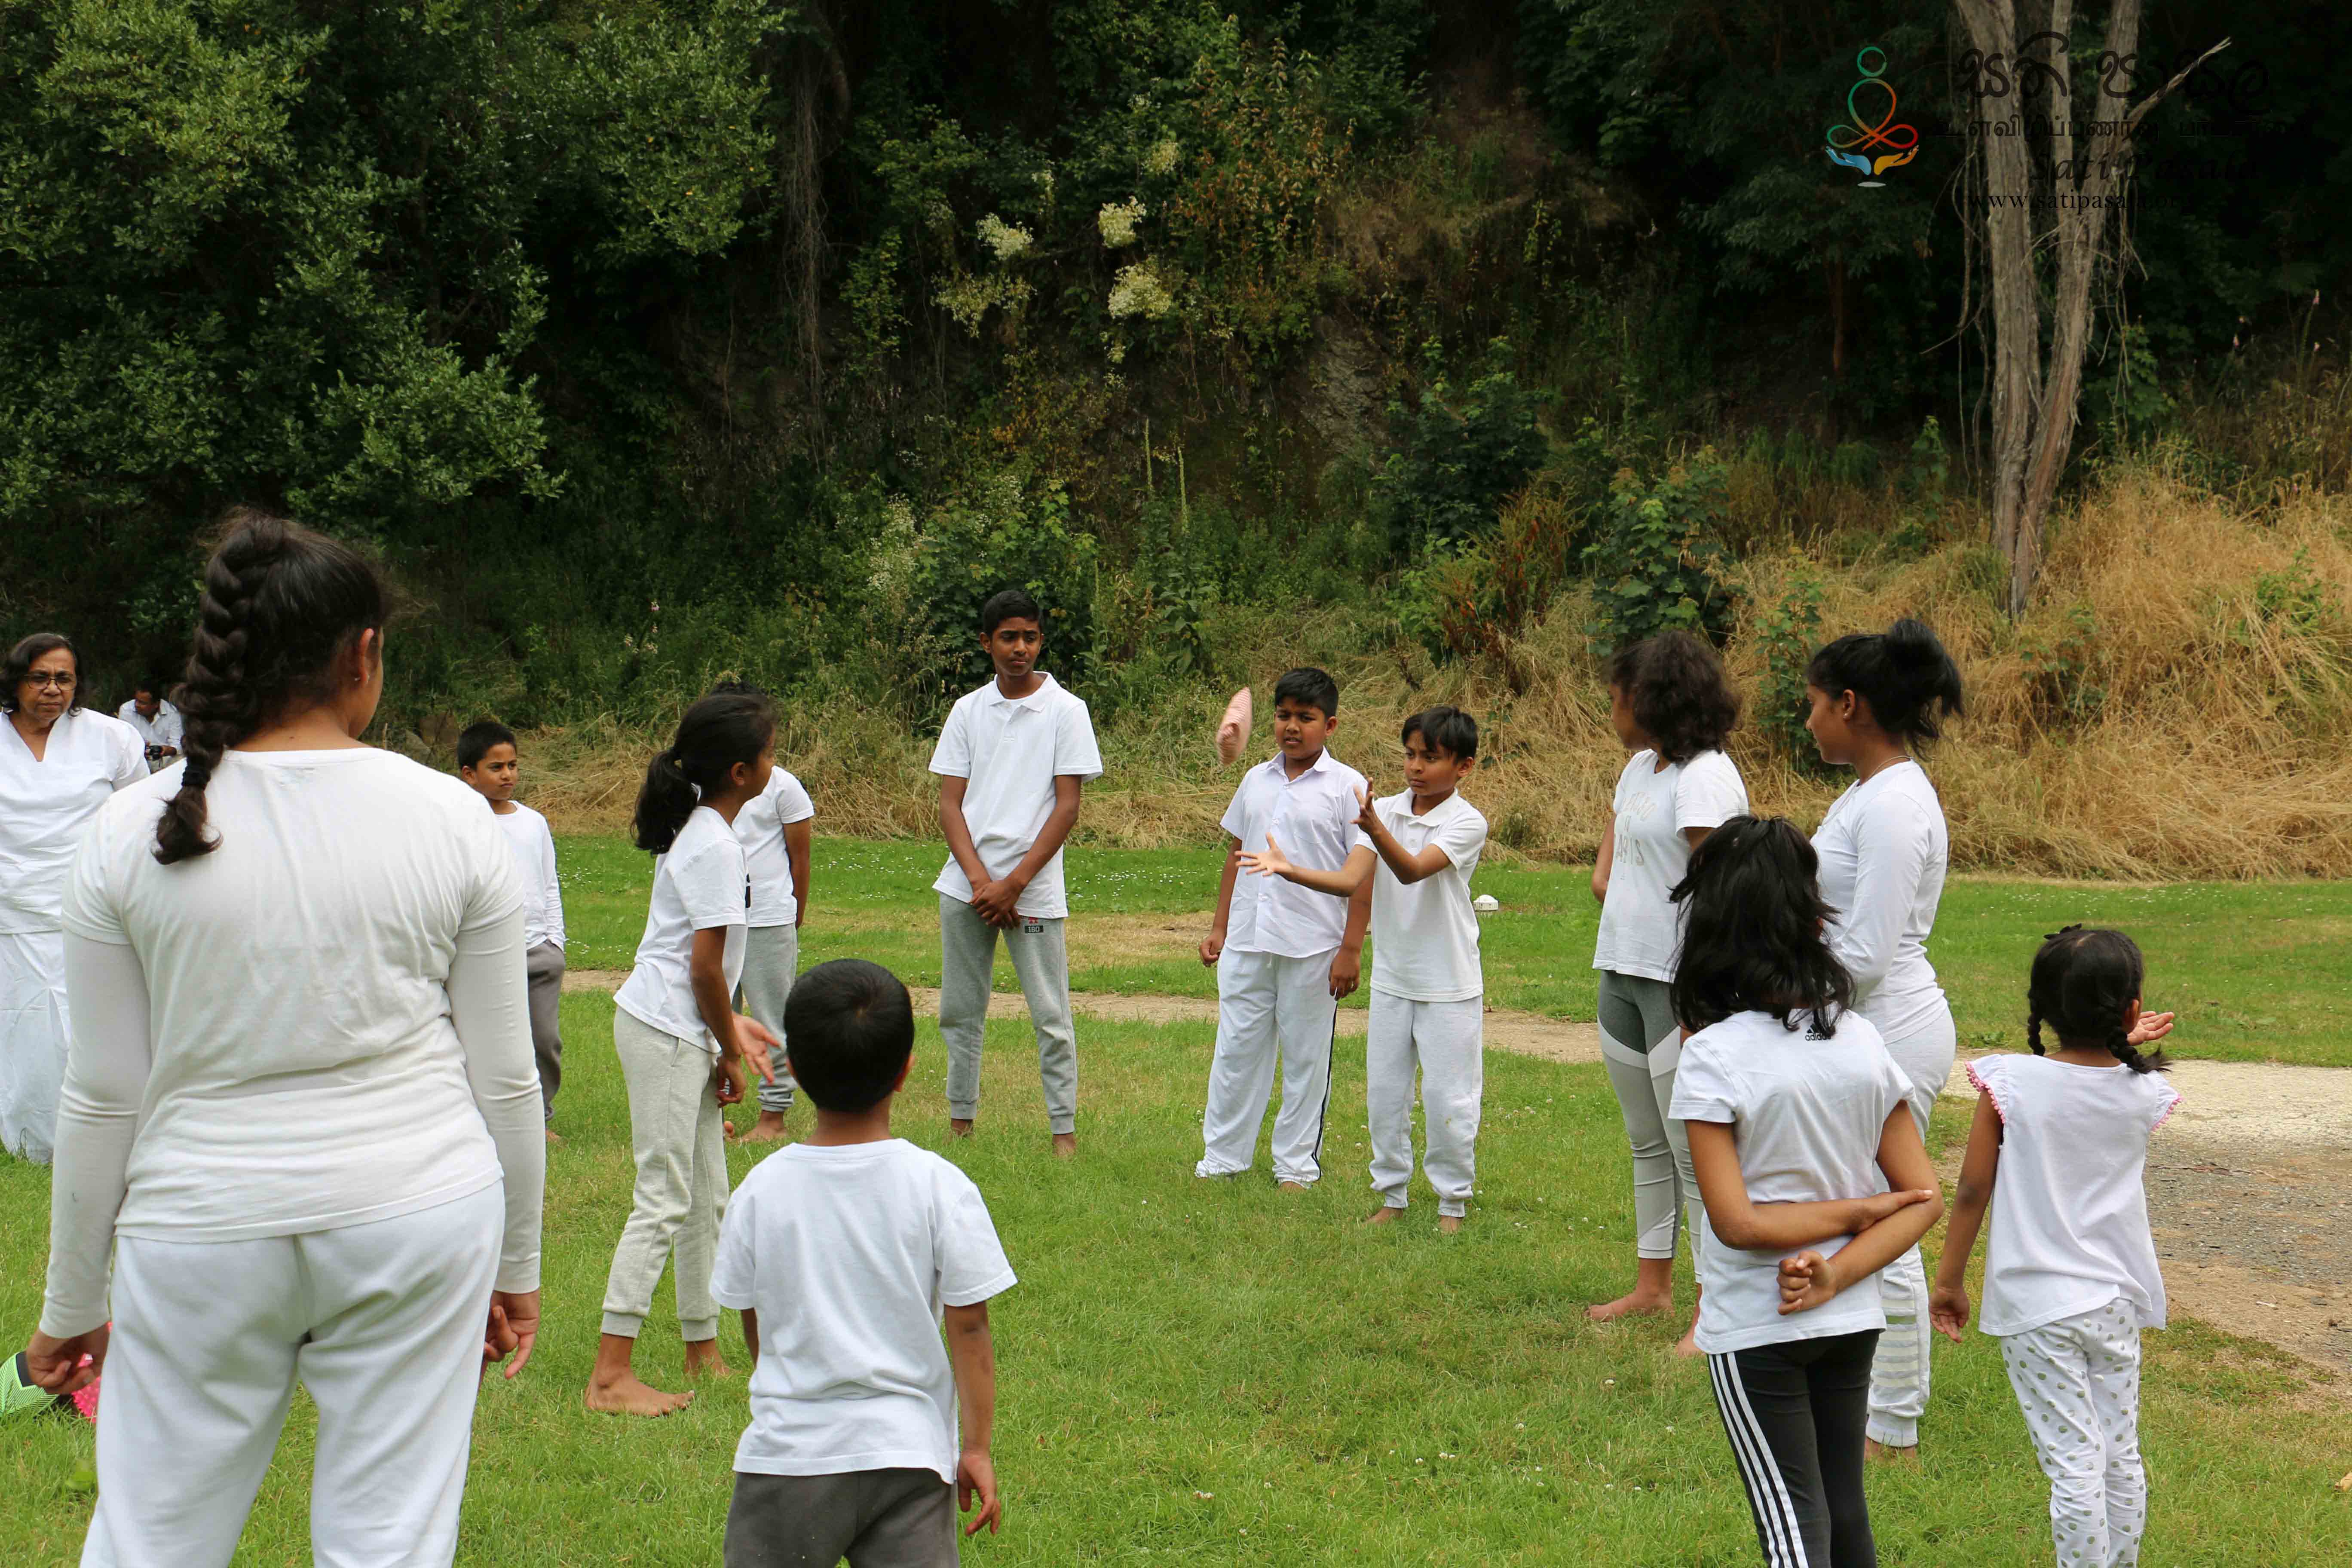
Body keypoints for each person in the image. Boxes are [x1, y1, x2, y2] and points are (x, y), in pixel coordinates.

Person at [18, 511, 544, 1564]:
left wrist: (72, 1301)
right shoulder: (456, 820)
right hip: (417, 1212)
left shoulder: (125, 831)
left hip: (200, 1226)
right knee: (390, 1542)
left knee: (151, 1540)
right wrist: (515, 1262)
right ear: (363, 655)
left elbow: (104, 1091)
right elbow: (505, 1075)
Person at [1667, 815, 1944, 1568]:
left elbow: (1737, 1223)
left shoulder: (1711, 1056)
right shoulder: (1860, 1038)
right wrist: (1839, 1268)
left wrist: (1849, 1227)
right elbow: (1922, 1198)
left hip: (1759, 1325)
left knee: (1793, 1525)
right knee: (1843, 1512)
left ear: (1713, 926)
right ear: (1812, 918)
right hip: (1849, 1316)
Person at [713, 959, 1012, 1567]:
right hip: (909, 1460)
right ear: (905, 1071)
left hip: (787, 1460)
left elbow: (753, 1317)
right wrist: (976, 1448)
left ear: (795, 1071)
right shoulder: (941, 1187)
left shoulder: (760, 1191)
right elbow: (970, 1327)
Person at [1932, 928, 2180, 1568]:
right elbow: (2100, 1083)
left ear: (2040, 1008)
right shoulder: (2146, 1092)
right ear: (2130, 1010)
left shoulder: (2010, 1082)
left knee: (2074, 1464)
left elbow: (1972, 1190)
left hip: (2038, 1306)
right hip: (2115, 1301)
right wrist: (2125, 1040)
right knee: (2119, 1455)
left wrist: (1949, 1281)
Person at [590, 689, 781, 1418]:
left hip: (680, 1026)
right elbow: (702, 969)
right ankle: (610, 1375)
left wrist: (729, 1028)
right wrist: (727, 1047)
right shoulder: (715, 845)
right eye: (770, 751)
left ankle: (703, 1346)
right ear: (741, 771)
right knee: (665, 1196)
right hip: (668, 1030)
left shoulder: (704, 830)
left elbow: (702, 968)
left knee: (708, 1196)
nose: (775, 761)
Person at [1804, 616, 1966, 1459]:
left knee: (1889, 1221)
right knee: (1862, 1212)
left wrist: (1774, 983)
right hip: (1860, 1027)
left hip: (1890, 1029)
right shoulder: (1868, 794)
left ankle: (1894, 1424)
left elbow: (1866, 954)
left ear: (1850, 704)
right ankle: (1861, 1397)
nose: (1807, 721)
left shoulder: (1897, 803)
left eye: (1813, 704)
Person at [1240, 706, 1487, 1229]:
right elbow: (1352, 880)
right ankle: (1392, 1197)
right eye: (1410, 755)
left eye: (1430, 758)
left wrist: (1376, 827)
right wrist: (1289, 870)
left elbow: (1414, 871)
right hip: (1394, 981)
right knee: (1386, 1097)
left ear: (1464, 767)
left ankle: (1452, 1203)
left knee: (1449, 1098)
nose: (1415, 767)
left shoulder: (1466, 821)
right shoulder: (1385, 810)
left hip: (1450, 984)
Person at [1585, 631, 1748, 1338]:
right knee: (1647, 1142)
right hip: (1622, 972)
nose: (1611, 710)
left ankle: (1717, 1306)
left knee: (1693, 1152)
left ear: (1651, 698)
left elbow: (1724, 894)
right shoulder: (1638, 769)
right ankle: (1653, 1288)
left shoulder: (1705, 778)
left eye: (1617, 697)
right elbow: (1608, 867)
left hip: (1680, 988)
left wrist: (1704, 998)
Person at [930, 587, 1102, 1156]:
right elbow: (950, 804)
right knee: (959, 1010)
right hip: (967, 888)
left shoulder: (1066, 711)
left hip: (1033, 889)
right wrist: (982, 883)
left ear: (1041, 640)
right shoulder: (967, 711)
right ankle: (961, 1123)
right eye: (1008, 638)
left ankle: (1063, 1133)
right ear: (987, 643)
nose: (1020, 648)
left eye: (1029, 637)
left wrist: (1014, 884)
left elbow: (1067, 807)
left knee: (1051, 1014)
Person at [1196, 668, 1369, 1192]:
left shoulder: (1348, 787)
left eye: (1305, 718)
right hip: (1249, 939)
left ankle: (1296, 1166)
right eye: (1283, 716)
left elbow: (1362, 876)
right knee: (1236, 1052)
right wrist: (1221, 926)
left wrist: (1350, 949)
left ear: (1330, 725)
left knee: (1305, 1059)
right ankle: (1222, 1159)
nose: (1292, 727)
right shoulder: (1256, 779)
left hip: (1313, 945)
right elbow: (1237, 854)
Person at [1, 633, 146, 1163]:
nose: (52, 690)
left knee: (92, 1027)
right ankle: (30, 1138)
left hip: (91, 906)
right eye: (39, 678)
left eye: (64, 678)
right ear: (15, 680)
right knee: (24, 1026)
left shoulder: (112, 737)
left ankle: (108, 1134)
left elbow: (139, 818)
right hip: (11, 908)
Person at [459, 719, 568, 1138]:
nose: (507, 775)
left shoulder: (533, 823)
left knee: (544, 1040)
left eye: (513, 765)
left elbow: (549, 883)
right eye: (496, 767)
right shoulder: (462, 823)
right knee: (489, 1042)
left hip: (538, 949)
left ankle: (539, 1117)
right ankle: (481, 1118)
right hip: (485, 953)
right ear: (469, 774)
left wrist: (555, 942)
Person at [729, 696, 815, 1143]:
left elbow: (800, 859)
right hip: (716, 920)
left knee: (771, 1018)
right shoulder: (701, 788)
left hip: (767, 919)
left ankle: (773, 1116)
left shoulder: (784, 787)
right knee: (714, 1018)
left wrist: (793, 911)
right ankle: (715, 1109)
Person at [115, 681, 184, 770]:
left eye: (142, 703)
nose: (137, 705)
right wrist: (139, 747)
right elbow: (123, 741)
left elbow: (177, 744)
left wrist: (167, 750)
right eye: (136, 700)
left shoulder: (172, 712)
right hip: (137, 758)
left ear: (156, 704)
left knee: (181, 759)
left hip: (165, 760)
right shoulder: (126, 710)